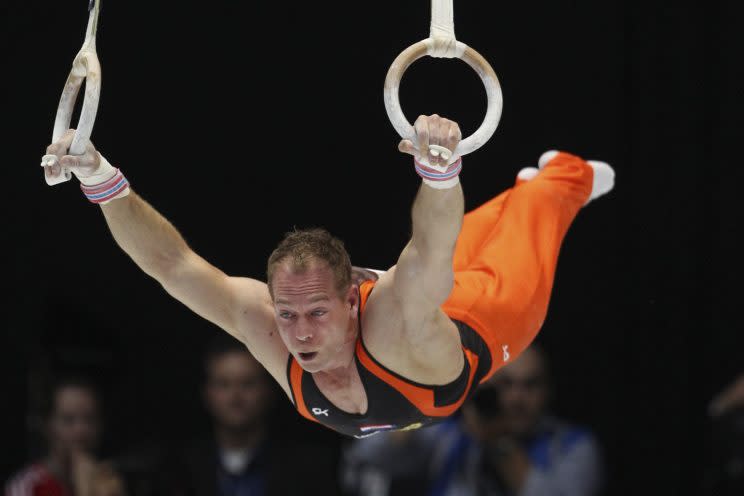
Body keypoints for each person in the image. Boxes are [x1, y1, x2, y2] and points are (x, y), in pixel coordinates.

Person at [41, 114, 615, 438]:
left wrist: (439, 174)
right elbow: (172, 265)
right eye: (288, 313)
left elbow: (431, 253)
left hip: (487, 316)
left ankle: (565, 177)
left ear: (353, 301)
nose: (300, 333)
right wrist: (99, 177)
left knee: (540, 205)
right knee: (483, 222)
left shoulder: (391, 316)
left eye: (317, 312)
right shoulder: (266, 324)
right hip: (428, 302)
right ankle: (523, 188)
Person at [340, 344, 604, 496]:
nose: (516, 399)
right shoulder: (452, 434)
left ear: (548, 389)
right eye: (506, 385)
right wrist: (428, 399)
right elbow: (370, 457)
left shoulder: (572, 446)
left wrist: (498, 442)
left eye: (530, 385)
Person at [157, 333, 342, 496]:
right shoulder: (180, 469)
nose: (235, 397)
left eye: (247, 383)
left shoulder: (308, 468)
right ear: (207, 392)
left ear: (269, 390)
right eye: (223, 384)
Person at [4, 377, 127, 496]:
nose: (80, 430)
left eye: (89, 419)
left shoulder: (107, 481)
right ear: (48, 426)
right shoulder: (29, 487)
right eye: (68, 420)